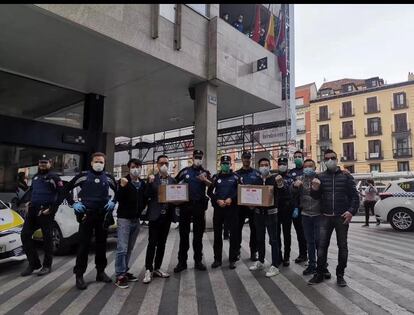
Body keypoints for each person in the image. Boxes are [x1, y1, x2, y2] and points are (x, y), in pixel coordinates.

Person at [66, 152, 117, 290]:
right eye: (96, 161)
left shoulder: (109, 177)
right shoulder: (82, 176)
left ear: (104, 163)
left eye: (101, 162)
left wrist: (113, 202)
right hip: (86, 216)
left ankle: (100, 272)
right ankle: (79, 275)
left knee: (101, 245)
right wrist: (73, 203)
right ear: (91, 163)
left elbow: (118, 192)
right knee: (83, 246)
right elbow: (66, 188)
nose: (99, 164)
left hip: (102, 216)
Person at [308, 149, 359, 287]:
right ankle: (319, 273)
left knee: (342, 247)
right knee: (322, 246)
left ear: (337, 159)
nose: (330, 160)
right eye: (327, 158)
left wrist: (351, 212)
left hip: (341, 217)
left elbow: (355, 196)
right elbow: (315, 197)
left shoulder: (346, 176)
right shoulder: (320, 177)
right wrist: (315, 189)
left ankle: (340, 275)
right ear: (324, 161)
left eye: (333, 158)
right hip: (325, 217)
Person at [20, 154, 65, 277]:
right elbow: (32, 191)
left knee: (47, 239)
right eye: (41, 163)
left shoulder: (54, 177)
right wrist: (28, 202)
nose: (42, 165)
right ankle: (34, 263)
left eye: (45, 163)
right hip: (33, 211)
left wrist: (52, 209)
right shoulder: (35, 177)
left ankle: (47, 266)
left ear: (50, 164)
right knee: (25, 235)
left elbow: (62, 194)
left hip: (46, 212)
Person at [174, 150, 212, 273]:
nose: (198, 159)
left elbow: (212, 186)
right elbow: (173, 184)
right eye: (196, 157)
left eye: (200, 157)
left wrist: (205, 180)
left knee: (198, 236)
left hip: (199, 207)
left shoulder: (205, 173)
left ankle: (198, 261)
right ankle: (182, 262)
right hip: (185, 207)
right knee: (183, 236)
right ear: (192, 157)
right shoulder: (184, 171)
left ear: (203, 158)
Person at [114, 158, 147, 289]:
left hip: (136, 220)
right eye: (133, 166)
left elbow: (145, 199)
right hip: (124, 219)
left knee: (129, 248)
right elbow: (118, 198)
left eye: (138, 166)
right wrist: (122, 187)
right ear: (129, 168)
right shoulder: (123, 181)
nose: (136, 169)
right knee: (122, 248)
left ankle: (125, 270)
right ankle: (119, 275)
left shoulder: (142, 183)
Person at [143, 155, 176, 284]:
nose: (164, 166)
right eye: (161, 163)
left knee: (162, 243)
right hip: (155, 216)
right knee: (152, 243)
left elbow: (176, 196)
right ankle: (148, 269)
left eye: (166, 163)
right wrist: (149, 183)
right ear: (157, 165)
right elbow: (146, 195)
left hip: (167, 216)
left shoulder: (173, 180)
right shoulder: (152, 179)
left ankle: (157, 268)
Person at [249, 157, 284, 277]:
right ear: (259, 167)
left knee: (273, 240)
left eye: (266, 164)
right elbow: (252, 195)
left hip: (271, 214)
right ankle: (261, 260)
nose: (264, 167)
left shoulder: (275, 179)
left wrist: (280, 184)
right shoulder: (256, 180)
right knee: (259, 238)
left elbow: (284, 194)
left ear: (269, 166)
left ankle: (275, 265)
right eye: (262, 165)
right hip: (258, 214)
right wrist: (251, 204)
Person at [208, 155, 241, 269]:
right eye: (223, 163)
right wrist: (217, 200)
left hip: (232, 209)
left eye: (227, 163)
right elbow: (209, 192)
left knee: (234, 235)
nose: (225, 165)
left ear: (230, 164)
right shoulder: (215, 177)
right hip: (219, 210)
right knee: (217, 235)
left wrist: (232, 199)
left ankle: (233, 259)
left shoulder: (236, 177)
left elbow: (241, 191)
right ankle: (217, 259)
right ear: (220, 164)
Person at [292, 159, 322, 276]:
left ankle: (322, 265)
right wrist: (294, 187)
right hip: (305, 214)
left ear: (315, 167)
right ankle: (311, 265)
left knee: (319, 242)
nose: (308, 168)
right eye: (306, 166)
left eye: (310, 166)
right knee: (309, 242)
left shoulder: (320, 178)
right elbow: (292, 193)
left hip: (319, 214)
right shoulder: (300, 179)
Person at [235, 151, 260, 261]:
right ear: (242, 159)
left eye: (248, 158)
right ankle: (237, 250)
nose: (247, 160)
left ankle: (253, 251)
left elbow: (260, 188)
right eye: (245, 158)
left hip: (253, 207)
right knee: (237, 229)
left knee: (254, 229)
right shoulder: (236, 174)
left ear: (251, 159)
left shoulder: (256, 173)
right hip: (240, 207)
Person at [289, 150, 308, 264]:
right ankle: (302, 254)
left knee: (310, 233)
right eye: (295, 156)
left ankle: (313, 256)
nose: (297, 158)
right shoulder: (291, 173)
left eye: (299, 156)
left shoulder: (308, 170)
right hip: (296, 207)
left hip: (308, 207)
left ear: (303, 158)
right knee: (300, 233)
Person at [275, 156, 294, 266]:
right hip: (276, 210)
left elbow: (292, 194)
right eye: (280, 164)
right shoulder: (273, 178)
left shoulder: (291, 178)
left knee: (287, 235)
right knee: (276, 235)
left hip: (287, 210)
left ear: (287, 165)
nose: (282, 166)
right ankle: (278, 255)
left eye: (284, 164)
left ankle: (286, 257)